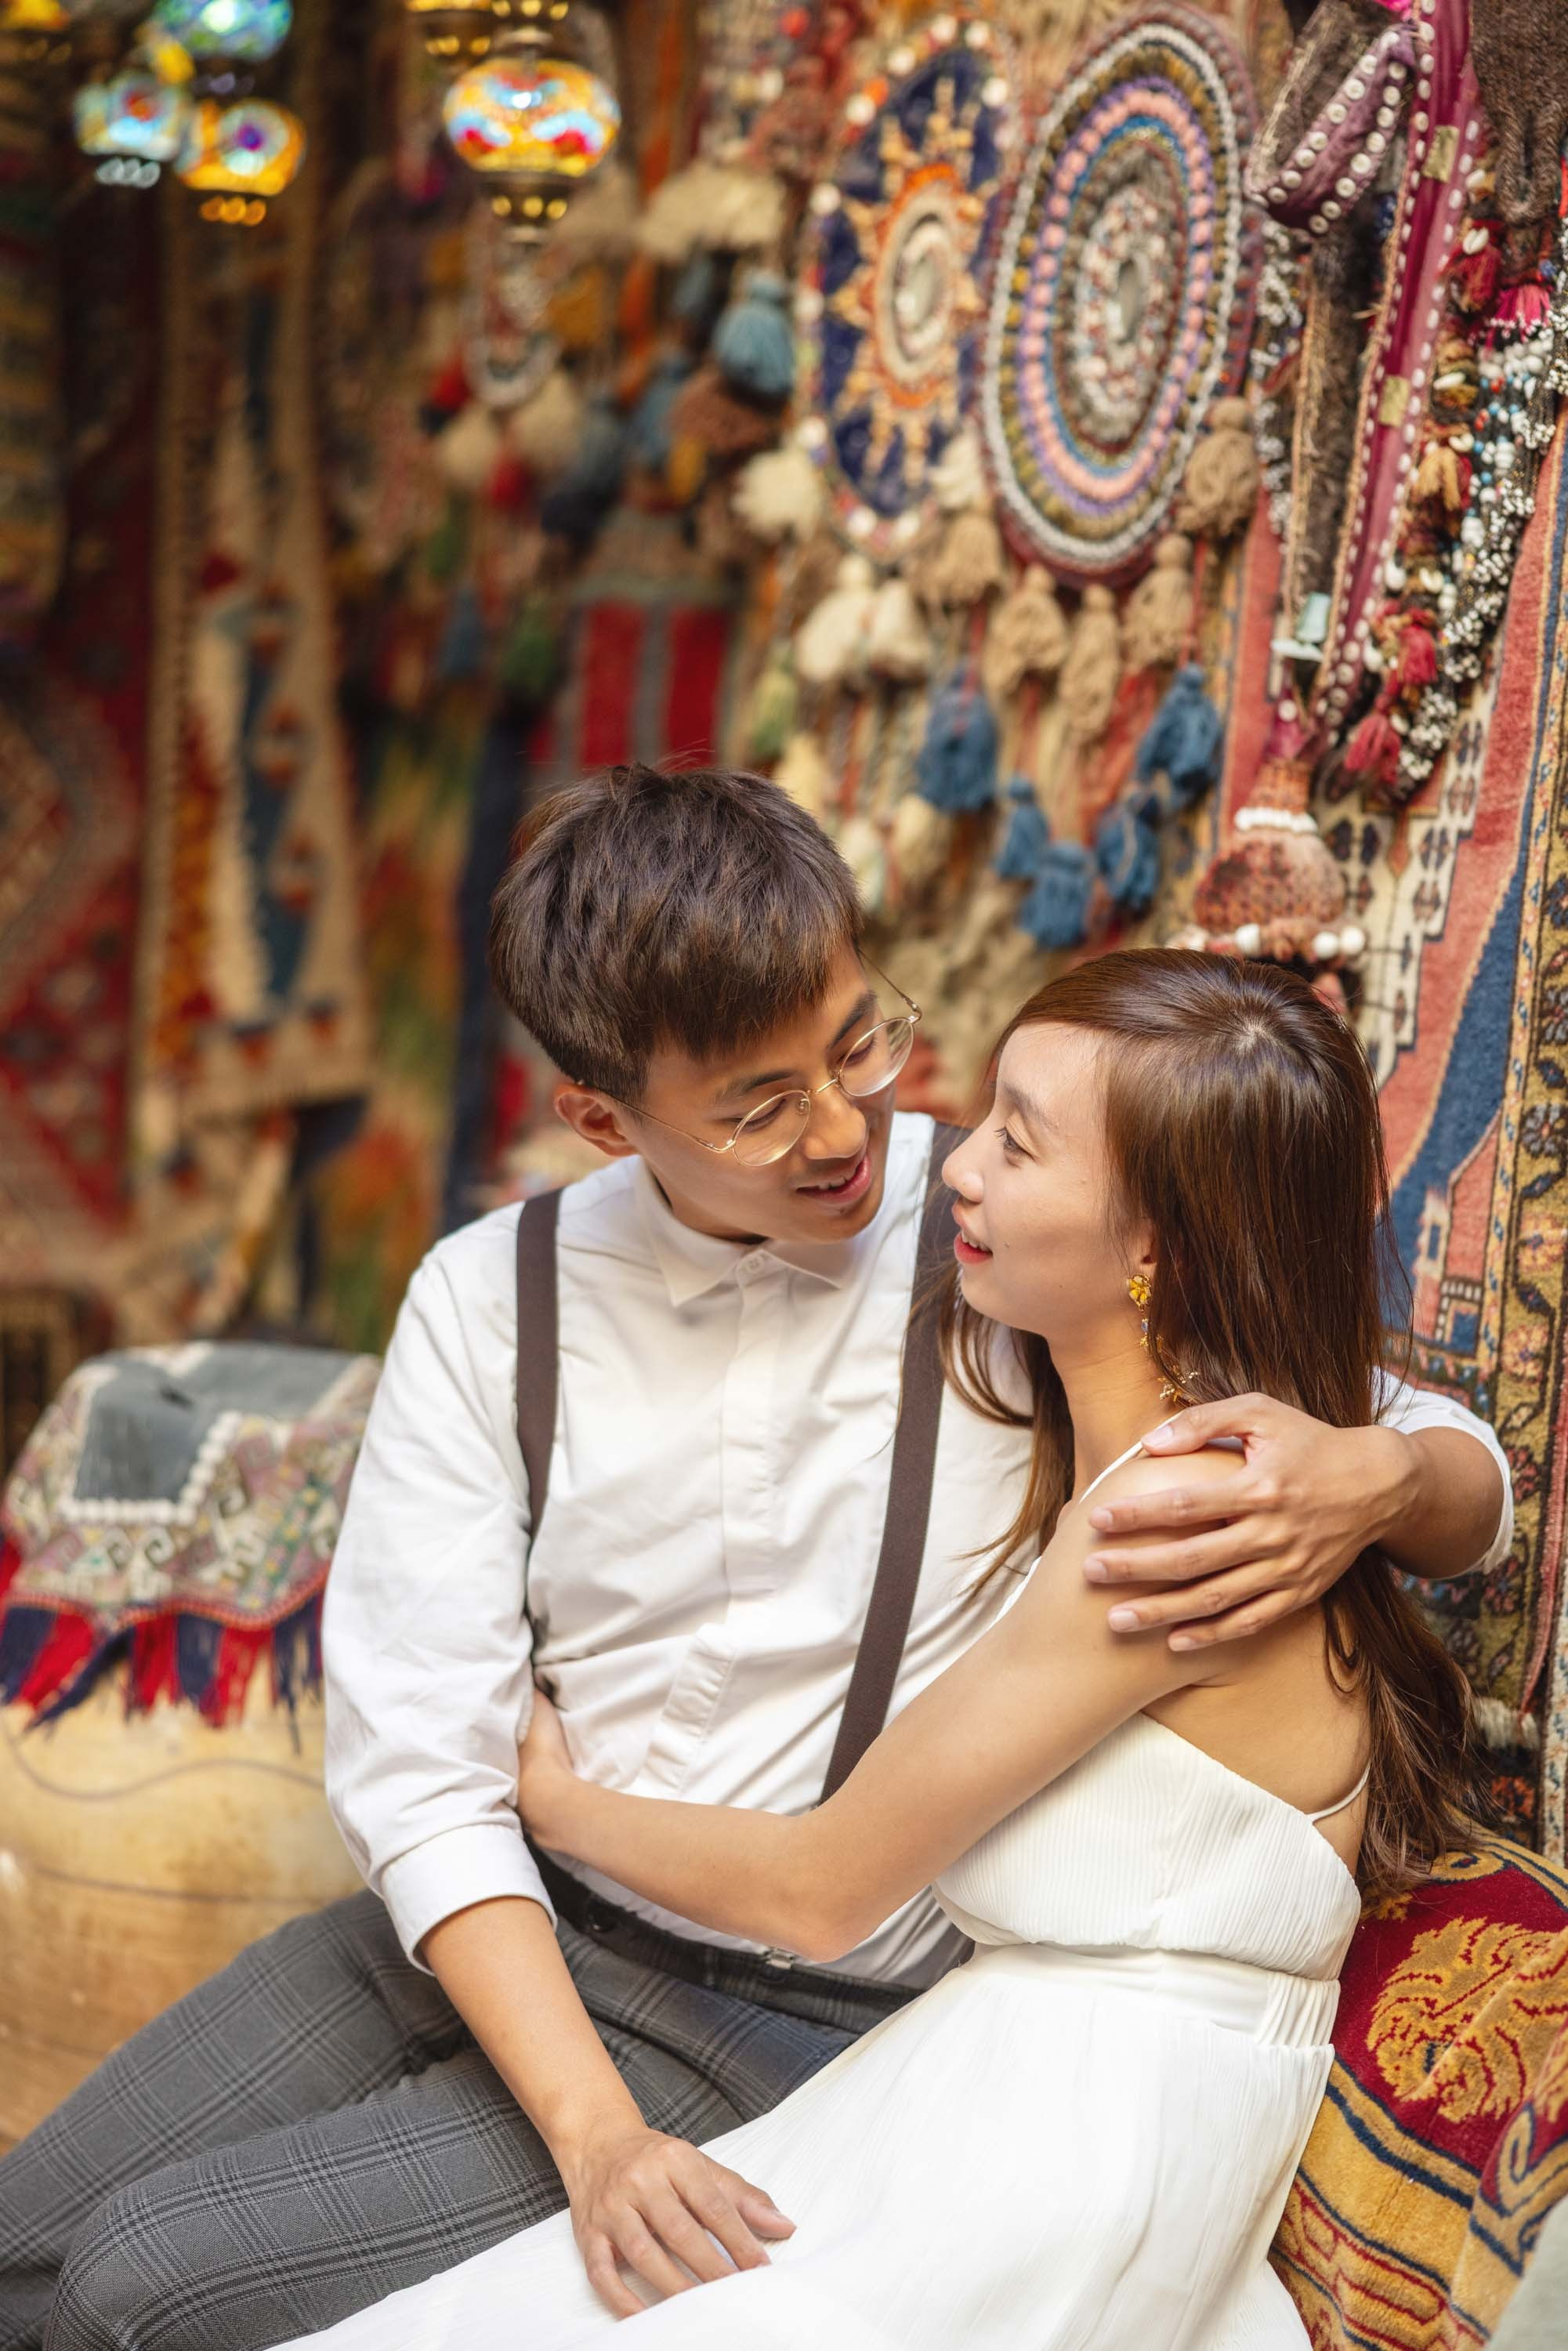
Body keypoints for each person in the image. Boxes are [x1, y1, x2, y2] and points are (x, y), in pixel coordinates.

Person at [0, 771, 1508, 2351]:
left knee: (137, 2285)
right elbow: (428, 1779)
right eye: (757, 1105)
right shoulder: (490, 1301)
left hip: (779, 2016)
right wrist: (587, 2128)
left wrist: (1381, 1471)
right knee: (27, 2249)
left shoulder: (1012, 1236)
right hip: (502, 1929)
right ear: (603, 1119)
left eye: (857, 1044)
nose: (847, 1131)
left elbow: (1369, 1414)